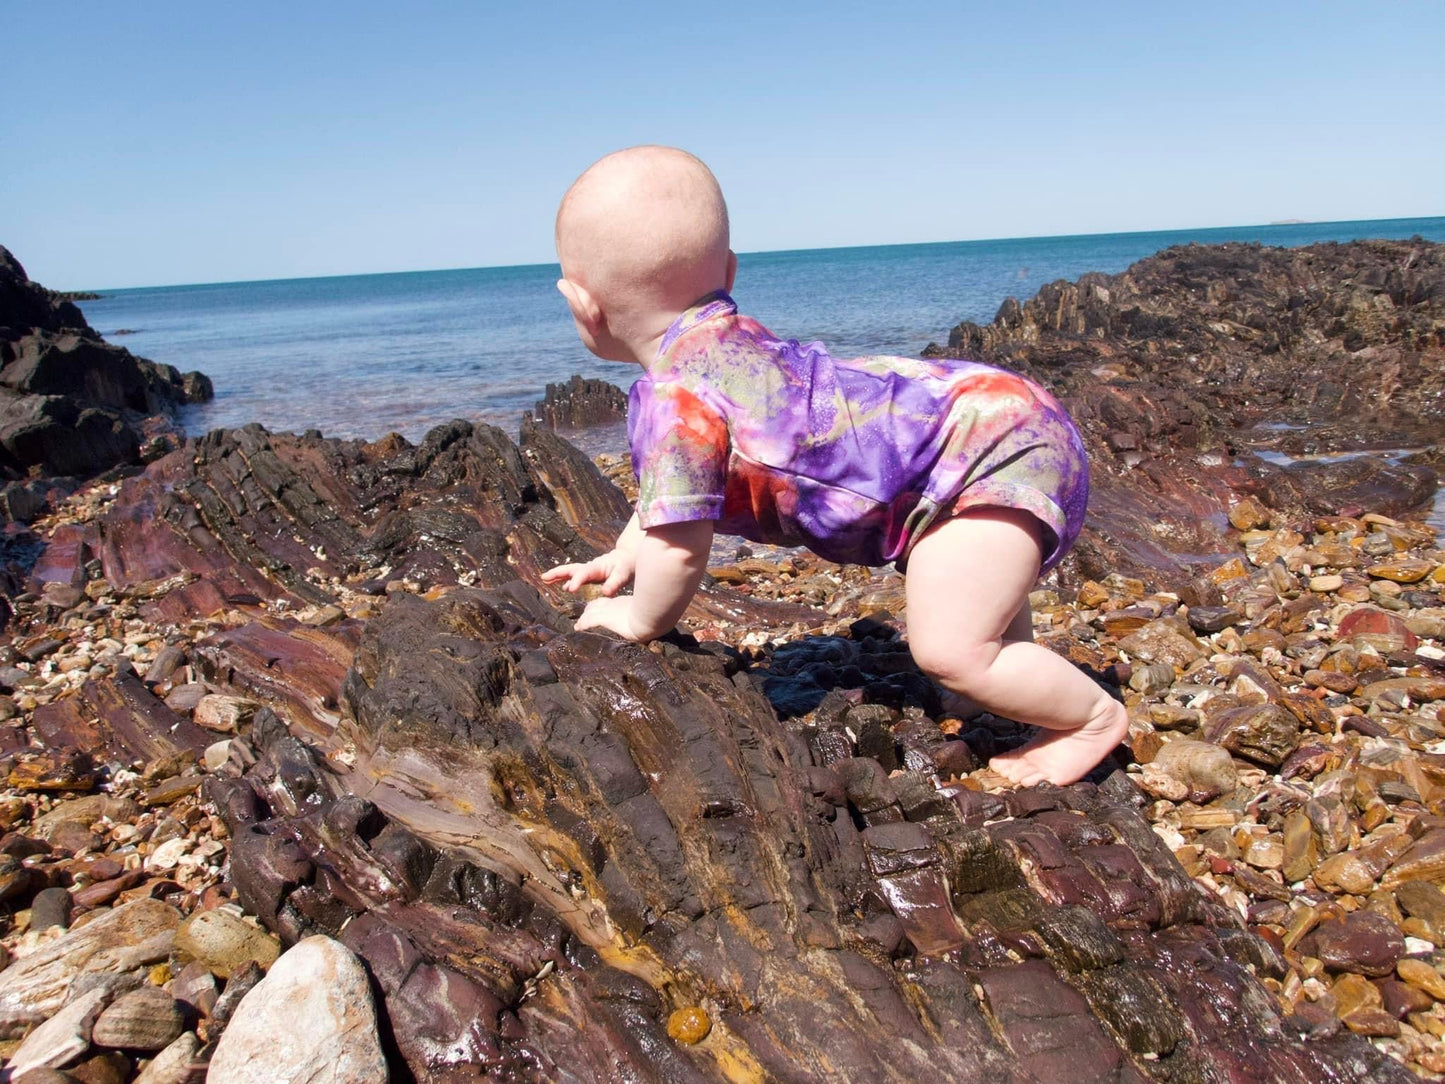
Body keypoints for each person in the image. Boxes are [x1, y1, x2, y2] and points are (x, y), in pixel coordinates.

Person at [541, 146, 1127, 786]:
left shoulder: (674, 394)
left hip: (994, 449)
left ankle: (1090, 718)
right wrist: (627, 553)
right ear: (728, 273)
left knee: (949, 649)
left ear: (583, 305)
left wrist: (639, 617)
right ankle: (1002, 671)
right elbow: (671, 499)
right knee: (964, 603)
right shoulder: (724, 345)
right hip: (989, 418)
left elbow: (680, 546)